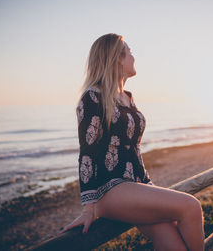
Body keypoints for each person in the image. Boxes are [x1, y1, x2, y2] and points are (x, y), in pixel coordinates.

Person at [60, 33, 205, 250]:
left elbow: (133, 149)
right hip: (109, 188)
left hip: (136, 184)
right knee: (191, 206)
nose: (134, 57)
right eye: (130, 52)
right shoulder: (93, 97)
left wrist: (147, 186)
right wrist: (88, 209)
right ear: (116, 58)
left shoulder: (127, 97)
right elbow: (87, 153)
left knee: (172, 239)